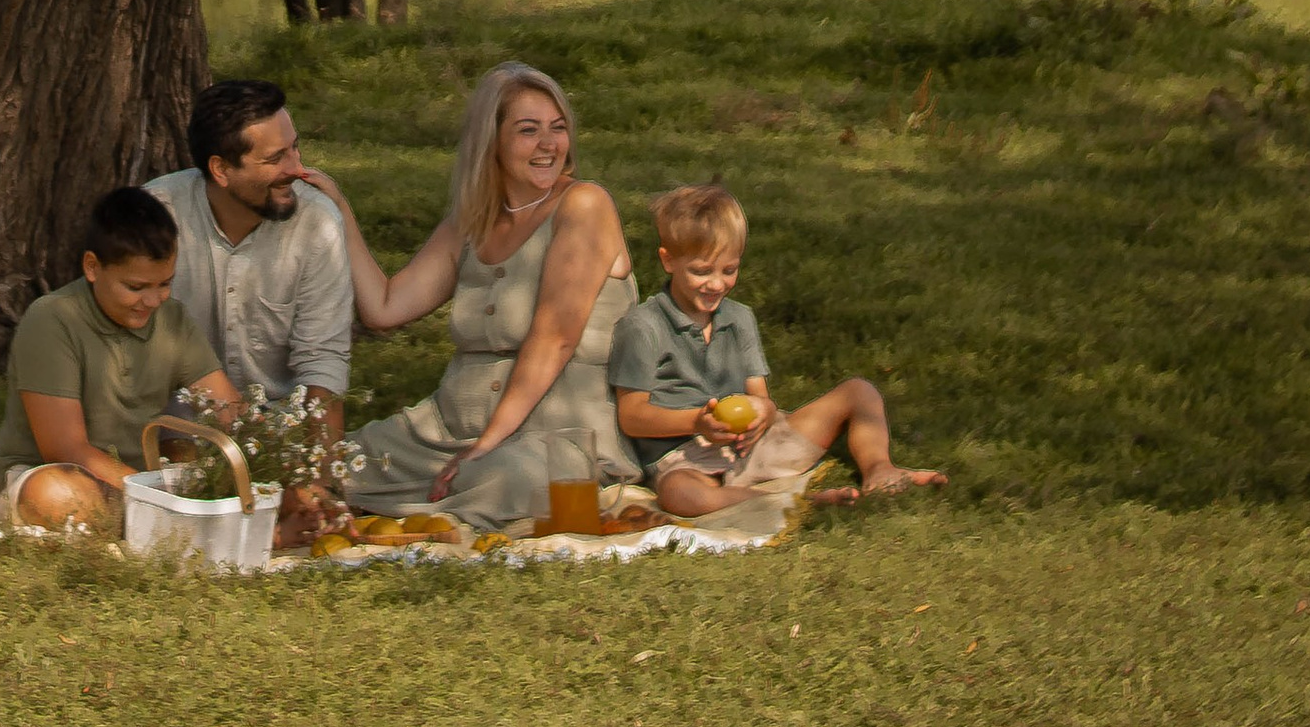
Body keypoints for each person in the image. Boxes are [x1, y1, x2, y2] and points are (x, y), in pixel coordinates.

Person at [302, 60, 642, 533]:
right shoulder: (471, 220)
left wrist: (485, 445)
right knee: (338, 465)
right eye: (528, 131)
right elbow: (383, 306)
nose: (549, 145)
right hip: (445, 432)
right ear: (492, 142)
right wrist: (339, 209)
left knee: (505, 480)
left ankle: (434, 517)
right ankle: (423, 508)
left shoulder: (584, 205)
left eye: (558, 128)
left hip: (555, 437)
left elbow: (555, 339)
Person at [608, 181, 946, 513]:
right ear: (668, 261)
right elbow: (633, 417)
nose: (716, 283)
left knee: (860, 391)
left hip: (754, 446)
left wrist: (763, 415)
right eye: (701, 271)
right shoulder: (643, 326)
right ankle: (787, 503)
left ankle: (879, 470)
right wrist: (698, 424)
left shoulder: (739, 318)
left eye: (729, 270)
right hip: (687, 457)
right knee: (680, 496)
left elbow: (762, 398)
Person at [0, 185, 235, 530]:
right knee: (56, 496)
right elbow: (65, 449)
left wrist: (277, 466)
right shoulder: (52, 319)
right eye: (136, 288)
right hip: (56, 477)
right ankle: (176, 527)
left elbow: (229, 411)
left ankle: (162, 527)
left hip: (138, 484)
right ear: (92, 267)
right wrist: (159, 495)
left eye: (164, 284)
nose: (152, 300)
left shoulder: (173, 319)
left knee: (201, 462)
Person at [148, 79, 353, 437]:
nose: (297, 169)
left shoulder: (317, 223)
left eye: (295, 149)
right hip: (171, 432)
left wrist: (319, 473)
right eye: (276, 158)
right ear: (221, 169)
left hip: (276, 436)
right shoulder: (156, 216)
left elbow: (322, 360)